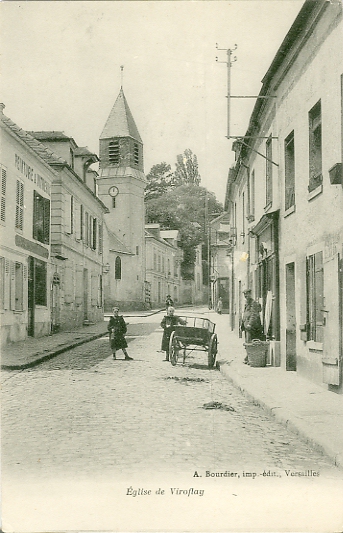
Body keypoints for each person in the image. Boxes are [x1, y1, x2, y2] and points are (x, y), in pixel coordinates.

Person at [241, 289, 264, 363]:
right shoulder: (247, 303)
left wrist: (250, 324)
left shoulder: (253, 303)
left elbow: (254, 314)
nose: (246, 296)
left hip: (252, 327)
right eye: (244, 295)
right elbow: (245, 314)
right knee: (248, 342)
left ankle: (250, 358)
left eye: (247, 294)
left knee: (250, 342)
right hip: (247, 326)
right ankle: (248, 357)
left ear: (250, 294)